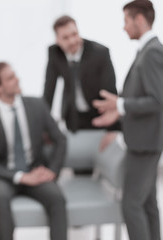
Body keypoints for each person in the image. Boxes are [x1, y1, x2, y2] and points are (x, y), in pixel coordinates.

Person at [92, 1, 163, 239]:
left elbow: (157, 100)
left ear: (139, 20)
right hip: (144, 140)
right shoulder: (147, 50)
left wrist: (120, 105)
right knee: (147, 204)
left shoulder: (152, 52)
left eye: (126, 21)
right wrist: (119, 110)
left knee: (131, 204)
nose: (124, 28)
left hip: (144, 144)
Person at [0, 62, 67, 240]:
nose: (17, 79)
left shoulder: (37, 105)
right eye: (10, 78)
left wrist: (53, 171)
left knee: (57, 198)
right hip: (3, 176)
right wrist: (20, 177)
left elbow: (60, 140)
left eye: (15, 74)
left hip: (35, 171)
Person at [43, 15, 120, 154]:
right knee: (80, 161)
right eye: (65, 37)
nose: (72, 41)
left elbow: (110, 91)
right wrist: (43, 127)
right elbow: (49, 91)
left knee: (104, 158)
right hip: (73, 117)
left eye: (74, 34)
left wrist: (113, 128)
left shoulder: (100, 53)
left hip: (99, 115)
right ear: (57, 40)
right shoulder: (54, 53)